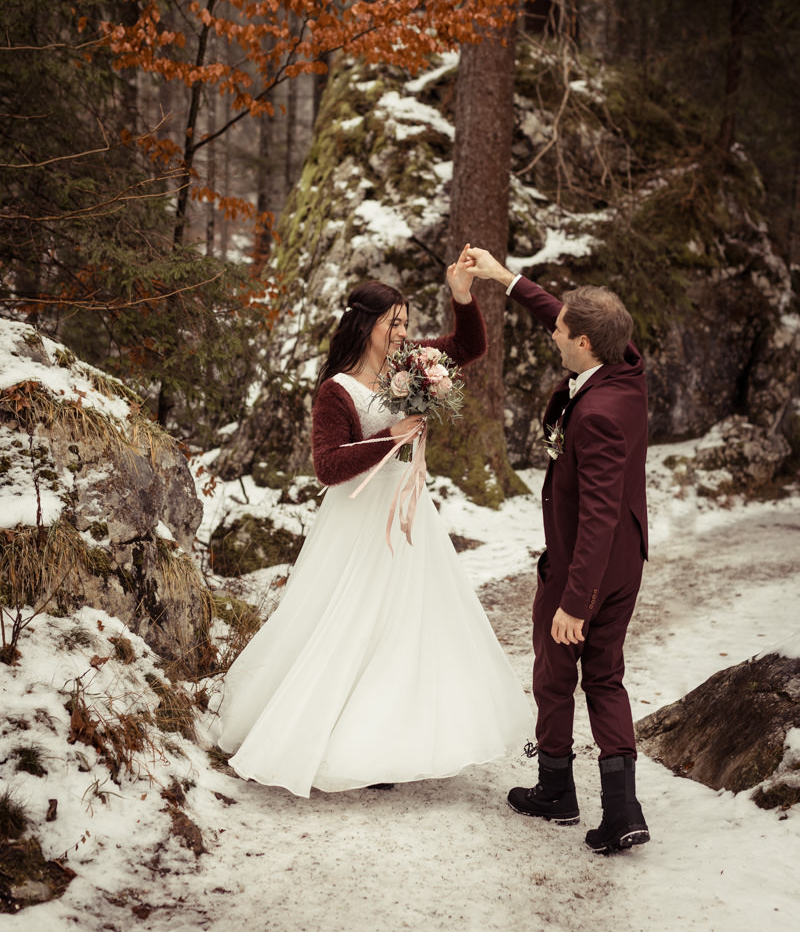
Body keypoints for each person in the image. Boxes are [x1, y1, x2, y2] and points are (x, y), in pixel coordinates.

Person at [216, 245, 532, 796]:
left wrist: (462, 295)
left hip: (411, 516)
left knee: (408, 626)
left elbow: (470, 346)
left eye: (407, 323)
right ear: (365, 325)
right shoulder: (335, 391)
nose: (403, 333)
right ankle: (323, 737)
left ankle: (390, 742)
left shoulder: (409, 367)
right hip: (359, 520)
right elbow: (328, 467)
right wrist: (386, 439)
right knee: (348, 624)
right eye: (394, 323)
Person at [465, 247, 650, 853]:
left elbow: (595, 514)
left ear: (587, 346)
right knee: (606, 679)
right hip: (626, 561)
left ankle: (555, 792)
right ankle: (623, 811)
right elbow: (562, 312)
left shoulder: (594, 414)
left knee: (554, 676)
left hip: (584, 566)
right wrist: (503, 278)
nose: (555, 334)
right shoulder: (627, 372)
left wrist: (574, 599)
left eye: (563, 333)